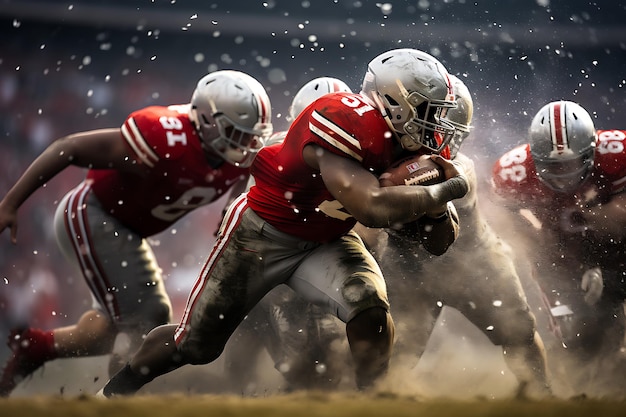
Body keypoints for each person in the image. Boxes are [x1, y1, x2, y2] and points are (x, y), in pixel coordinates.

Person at [98, 48, 470, 397]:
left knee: (369, 305)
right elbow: (371, 207)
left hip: (326, 239)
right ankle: (111, 394)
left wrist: (436, 208)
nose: (435, 124)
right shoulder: (344, 116)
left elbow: (438, 244)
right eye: (428, 110)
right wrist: (445, 189)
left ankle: (374, 399)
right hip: (263, 233)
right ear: (395, 104)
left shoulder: (414, 151)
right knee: (195, 344)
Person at [0, 70, 273, 396]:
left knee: (113, 327)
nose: (244, 144)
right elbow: (68, 147)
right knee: (146, 317)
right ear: (205, 118)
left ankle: (37, 347)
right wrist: (11, 203)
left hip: (127, 230)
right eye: (234, 132)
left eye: (250, 135)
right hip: (94, 214)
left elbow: (240, 174)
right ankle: (116, 398)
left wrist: (231, 207)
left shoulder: (233, 155)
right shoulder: (164, 137)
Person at [357, 74, 552, 399]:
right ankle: (378, 400)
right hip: (409, 267)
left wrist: (385, 188)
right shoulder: (379, 157)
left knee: (519, 332)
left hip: (472, 262)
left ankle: (542, 393)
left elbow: (431, 230)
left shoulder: (459, 167)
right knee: (391, 352)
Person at [224, 76, 353, 394]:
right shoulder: (278, 151)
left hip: (266, 258)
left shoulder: (276, 148)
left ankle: (235, 393)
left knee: (252, 336)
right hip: (279, 258)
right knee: (308, 360)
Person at [491, 100, 626, 395]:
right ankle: (588, 392)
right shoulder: (513, 172)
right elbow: (515, 229)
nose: (563, 174)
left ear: (592, 152)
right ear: (534, 158)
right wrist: (567, 260)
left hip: (619, 251)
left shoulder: (617, 154)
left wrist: (605, 223)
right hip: (562, 255)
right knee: (578, 336)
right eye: (553, 166)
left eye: (571, 163)